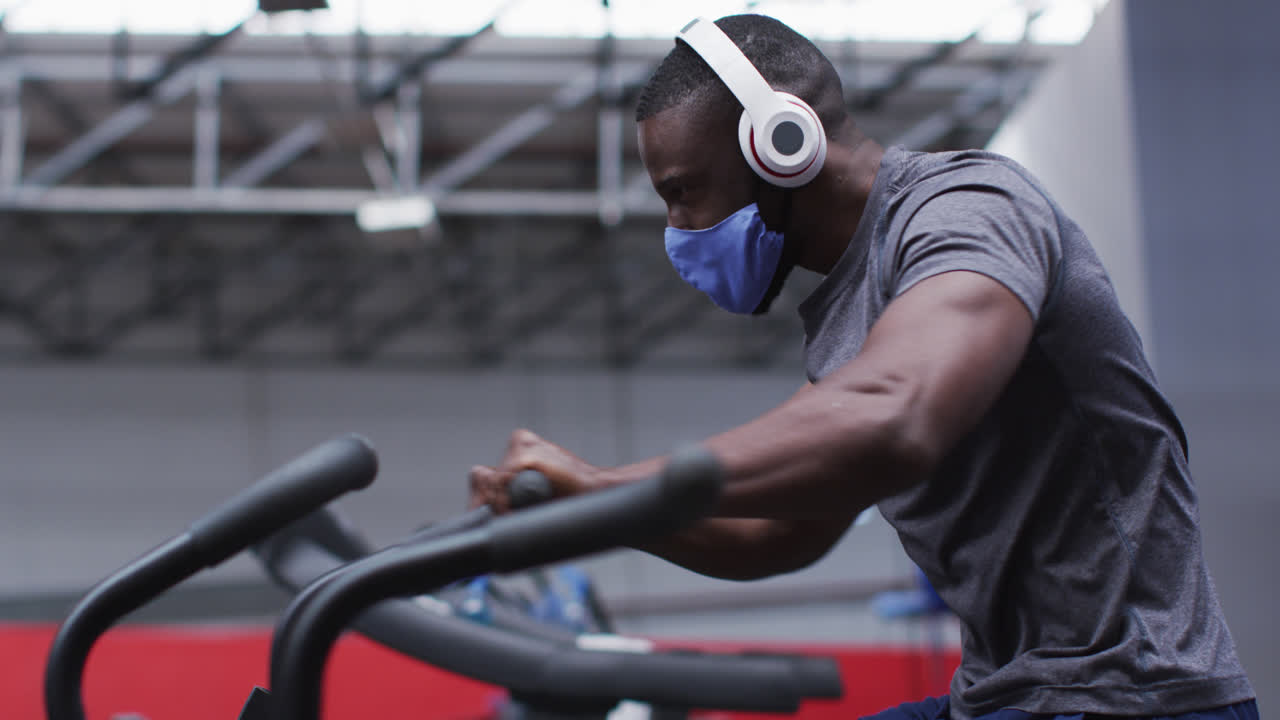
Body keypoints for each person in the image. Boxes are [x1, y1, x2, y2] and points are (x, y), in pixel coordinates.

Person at [469, 13, 1257, 720]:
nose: (678, 228)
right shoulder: (850, 319)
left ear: (780, 143)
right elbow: (779, 529)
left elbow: (897, 414)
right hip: (1008, 691)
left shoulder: (967, 209)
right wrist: (591, 509)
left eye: (685, 192)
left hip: (1131, 692)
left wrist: (610, 487)